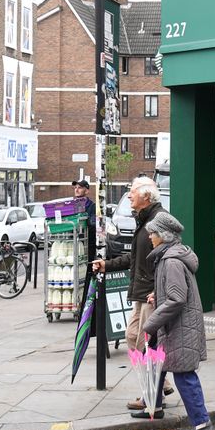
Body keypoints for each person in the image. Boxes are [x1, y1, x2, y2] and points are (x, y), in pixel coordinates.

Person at [91, 175, 172, 410]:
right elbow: (135, 258)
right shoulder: (144, 219)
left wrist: (159, 291)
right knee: (132, 337)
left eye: (133, 192)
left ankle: (152, 395)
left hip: (151, 295)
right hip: (140, 293)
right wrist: (108, 264)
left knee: (147, 344)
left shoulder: (158, 220)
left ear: (146, 196)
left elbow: (170, 259)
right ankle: (160, 382)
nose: (129, 195)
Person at [138, 212, 214, 430]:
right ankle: (153, 405)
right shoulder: (168, 257)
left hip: (179, 326)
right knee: (155, 361)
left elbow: (177, 298)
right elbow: (174, 292)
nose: (150, 236)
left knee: (183, 373)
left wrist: (150, 323)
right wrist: (157, 295)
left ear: (163, 235)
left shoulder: (170, 261)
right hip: (173, 325)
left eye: (153, 233)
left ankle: (202, 422)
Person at [72, 179, 97, 249]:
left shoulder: (92, 206)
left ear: (86, 191)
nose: (76, 190)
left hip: (87, 244)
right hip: (73, 243)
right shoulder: (71, 206)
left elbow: (92, 225)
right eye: (75, 188)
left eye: (79, 188)